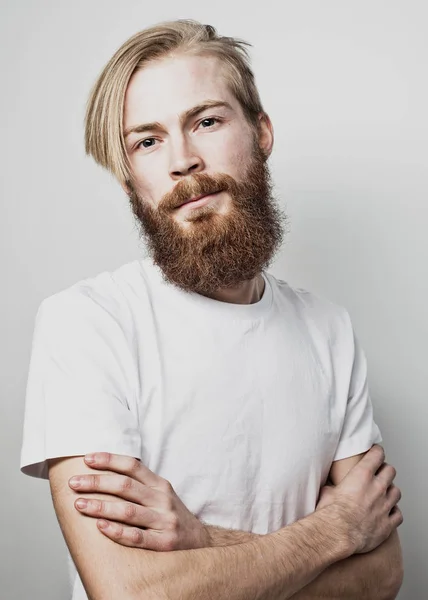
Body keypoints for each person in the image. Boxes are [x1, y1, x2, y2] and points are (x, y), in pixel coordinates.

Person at [20, 19, 403, 600]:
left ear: (261, 132)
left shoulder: (330, 330)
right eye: (146, 141)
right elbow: (132, 593)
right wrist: (336, 529)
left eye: (206, 121)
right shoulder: (87, 324)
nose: (183, 161)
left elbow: (383, 576)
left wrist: (199, 540)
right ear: (130, 183)